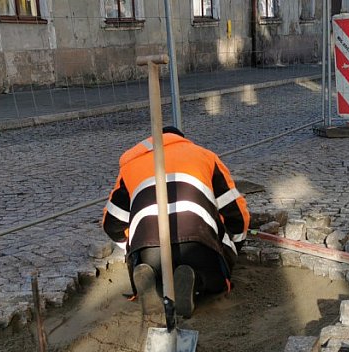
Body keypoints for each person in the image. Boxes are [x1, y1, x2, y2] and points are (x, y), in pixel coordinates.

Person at [102, 126, 250, 318]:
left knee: (158, 266)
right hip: (199, 244)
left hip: (149, 250)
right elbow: (235, 212)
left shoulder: (131, 166)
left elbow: (111, 224)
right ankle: (196, 282)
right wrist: (235, 246)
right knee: (217, 280)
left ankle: (152, 279)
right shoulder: (205, 157)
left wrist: (130, 245)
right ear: (182, 139)